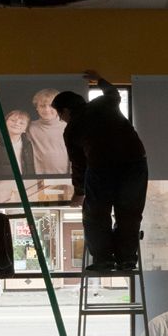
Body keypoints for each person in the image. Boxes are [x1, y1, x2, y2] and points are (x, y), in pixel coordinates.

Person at [55, 70, 148, 272]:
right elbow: (113, 92)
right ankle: (127, 260)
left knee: (96, 214)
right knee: (129, 213)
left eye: (60, 115)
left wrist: (79, 192)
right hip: (135, 164)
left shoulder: (72, 129)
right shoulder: (104, 103)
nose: (61, 119)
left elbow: (78, 164)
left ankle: (103, 260)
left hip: (102, 168)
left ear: (65, 110)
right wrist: (99, 79)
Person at [25, 88, 70, 176]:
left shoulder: (68, 126)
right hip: (37, 177)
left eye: (51, 106)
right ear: (37, 108)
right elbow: (11, 135)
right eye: (42, 106)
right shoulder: (29, 127)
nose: (47, 110)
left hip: (65, 176)